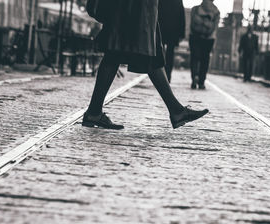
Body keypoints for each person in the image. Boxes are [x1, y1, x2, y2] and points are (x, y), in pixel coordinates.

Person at [84, 0, 208, 130]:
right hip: (137, 9)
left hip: (137, 9)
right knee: (135, 53)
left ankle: (94, 111)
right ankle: (177, 111)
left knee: (119, 52)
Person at [189, 0, 220, 89]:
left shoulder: (195, 9)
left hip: (195, 36)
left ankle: (194, 78)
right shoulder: (216, 11)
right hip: (208, 38)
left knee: (194, 58)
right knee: (205, 60)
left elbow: (192, 24)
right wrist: (207, 24)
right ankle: (201, 81)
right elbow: (214, 27)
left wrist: (200, 22)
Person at [158, 0, 186, 82]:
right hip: (173, 31)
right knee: (170, 54)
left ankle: (161, 74)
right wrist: (181, 33)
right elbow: (182, 16)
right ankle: (167, 75)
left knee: (160, 52)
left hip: (161, 28)